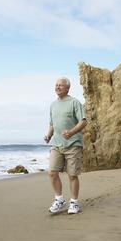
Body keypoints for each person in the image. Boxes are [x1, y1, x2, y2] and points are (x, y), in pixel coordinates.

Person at [44, 77, 87, 214]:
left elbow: (83, 122)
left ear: (67, 88)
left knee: (72, 175)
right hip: (57, 144)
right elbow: (52, 124)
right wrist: (48, 135)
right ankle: (59, 199)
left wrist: (71, 132)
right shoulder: (53, 105)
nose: (57, 87)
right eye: (56, 85)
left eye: (60, 85)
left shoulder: (74, 103)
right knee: (52, 172)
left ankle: (74, 203)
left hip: (73, 144)